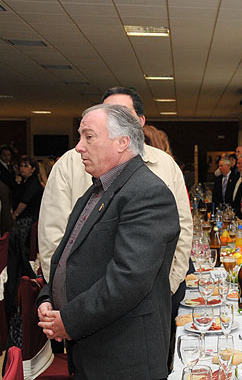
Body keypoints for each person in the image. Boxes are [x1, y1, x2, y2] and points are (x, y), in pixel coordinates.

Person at [36, 104, 180, 380]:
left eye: (88, 137)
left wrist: (69, 320)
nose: (79, 147)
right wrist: (49, 297)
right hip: (93, 351)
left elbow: (128, 278)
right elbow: (70, 257)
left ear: (122, 142)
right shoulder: (96, 190)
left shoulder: (147, 193)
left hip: (125, 356)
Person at [38, 86, 192, 303]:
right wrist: (63, 296)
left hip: (151, 296)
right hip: (80, 299)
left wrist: (170, 285)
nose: (115, 119)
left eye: (123, 114)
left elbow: (182, 229)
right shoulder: (69, 164)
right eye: (109, 113)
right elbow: (52, 237)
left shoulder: (164, 164)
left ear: (140, 122)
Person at [12, 156, 43, 222]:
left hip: (30, 218)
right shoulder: (23, 181)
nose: (22, 168)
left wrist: (15, 214)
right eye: (21, 166)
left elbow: (25, 201)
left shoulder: (33, 182)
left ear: (33, 169)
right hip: (22, 216)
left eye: (26, 166)